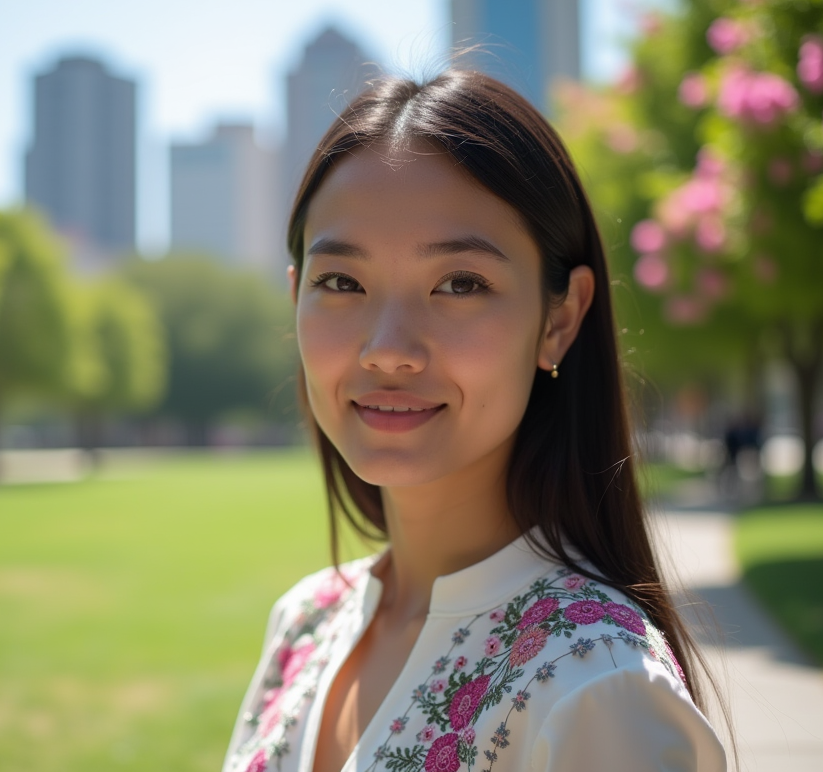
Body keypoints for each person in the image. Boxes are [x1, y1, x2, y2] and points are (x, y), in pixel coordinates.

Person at [222, 70, 728, 772]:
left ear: (559, 319)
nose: (388, 350)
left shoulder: (598, 688)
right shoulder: (304, 622)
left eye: (460, 284)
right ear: (295, 297)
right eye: (341, 282)